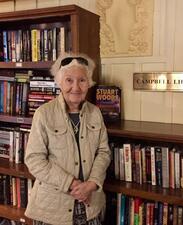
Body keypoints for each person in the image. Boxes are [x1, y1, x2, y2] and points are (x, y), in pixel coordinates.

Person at [24, 52, 111, 225]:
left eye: (82, 80)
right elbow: (34, 159)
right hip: (52, 208)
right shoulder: (43, 114)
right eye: (69, 80)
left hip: (90, 203)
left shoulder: (95, 112)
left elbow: (103, 152)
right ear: (59, 82)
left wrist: (92, 184)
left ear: (89, 83)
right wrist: (71, 183)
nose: (76, 87)